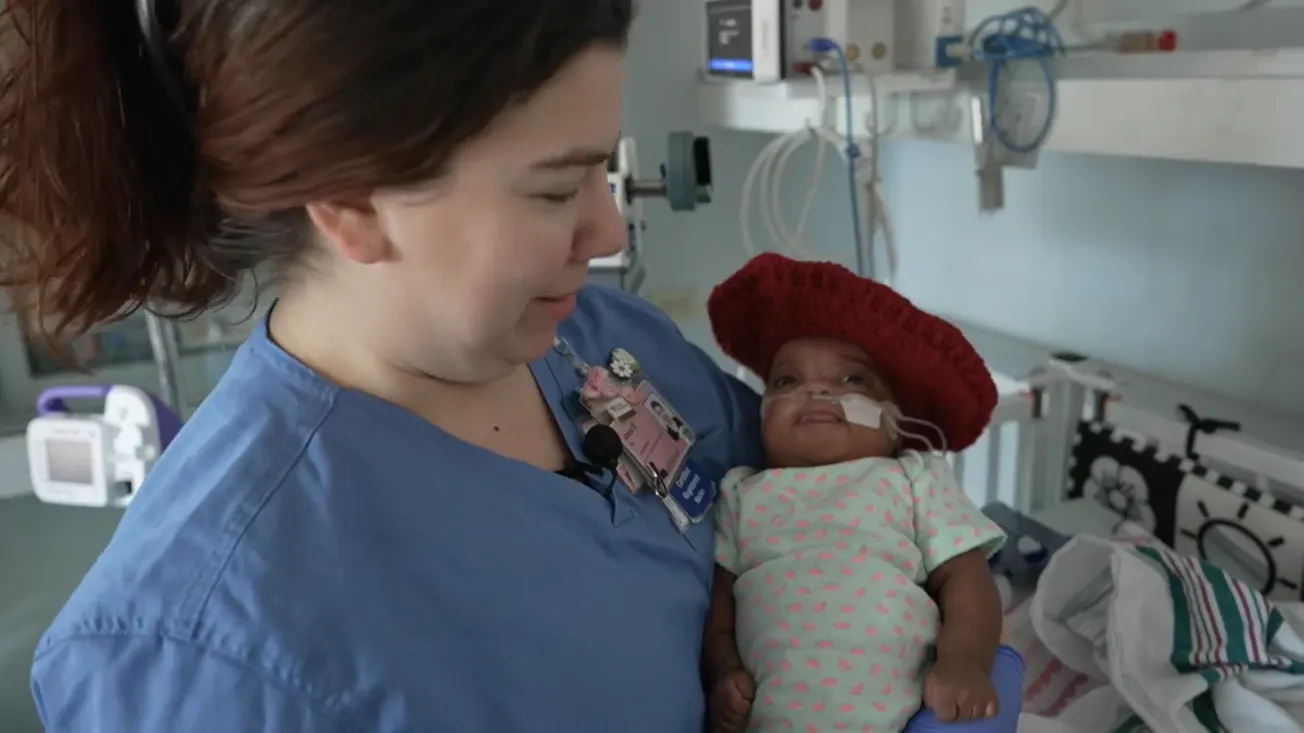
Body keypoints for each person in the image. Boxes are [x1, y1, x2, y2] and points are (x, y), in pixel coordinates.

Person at [2, 1, 763, 730]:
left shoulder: (602, 338)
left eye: (601, 169)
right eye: (556, 188)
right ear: (350, 202)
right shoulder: (208, 649)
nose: (601, 229)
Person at [699, 254, 1016, 733]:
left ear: (894, 423)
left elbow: (966, 581)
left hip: (905, 714)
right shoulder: (743, 493)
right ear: (762, 416)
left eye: (852, 379)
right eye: (787, 380)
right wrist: (723, 671)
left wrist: (964, 662)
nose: (817, 390)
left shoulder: (912, 478)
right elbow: (719, 604)